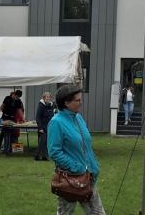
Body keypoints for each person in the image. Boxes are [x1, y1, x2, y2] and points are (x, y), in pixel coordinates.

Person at [48, 85, 104, 214]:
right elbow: (54, 152)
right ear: (66, 103)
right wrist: (77, 168)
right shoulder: (56, 122)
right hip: (70, 180)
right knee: (65, 213)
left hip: (89, 177)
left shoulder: (78, 117)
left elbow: (85, 145)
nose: (81, 102)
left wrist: (92, 164)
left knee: (97, 213)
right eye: (77, 100)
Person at [35, 91, 54, 161]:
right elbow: (38, 117)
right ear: (44, 98)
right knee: (42, 142)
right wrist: (40, 128)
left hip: (49, 126)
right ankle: (37, 156)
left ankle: (44, 156)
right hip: (42, 127)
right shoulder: (41, 105)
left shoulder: (51, 105)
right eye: (47, 97)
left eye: (49, 97)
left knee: (47, 142)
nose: (48, 98)